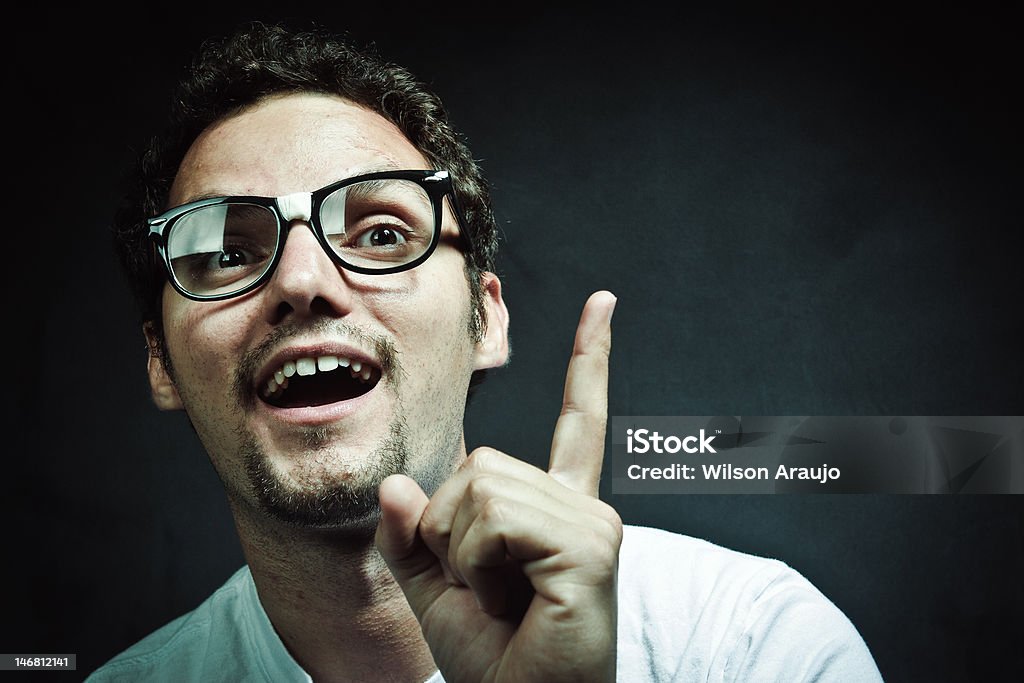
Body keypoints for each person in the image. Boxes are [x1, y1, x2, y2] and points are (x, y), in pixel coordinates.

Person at [88, 21, 883, 683]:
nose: (302, 279)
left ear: (485, 321)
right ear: (160, 360)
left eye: (381, 234)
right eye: (226, 252)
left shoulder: (748, 644)